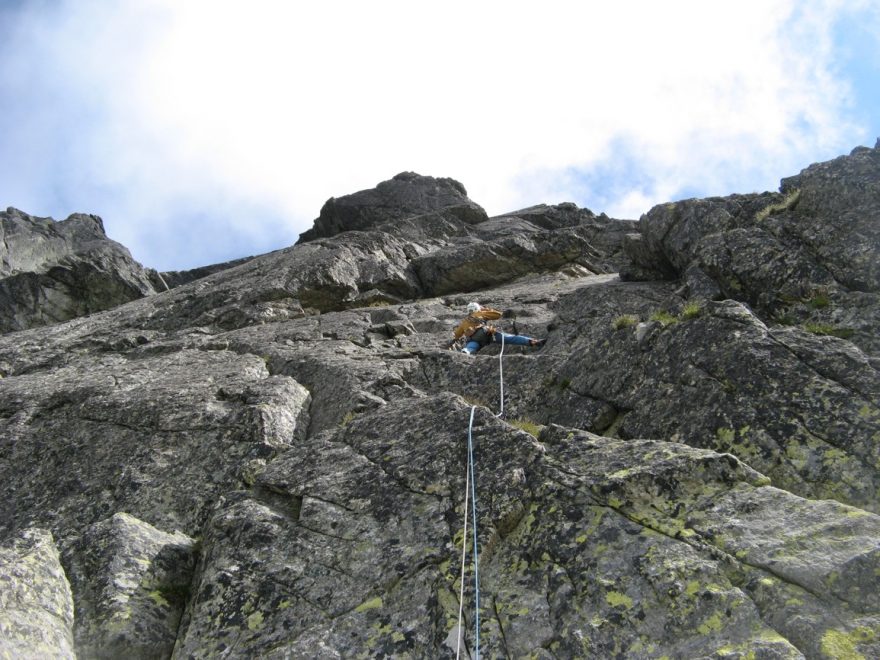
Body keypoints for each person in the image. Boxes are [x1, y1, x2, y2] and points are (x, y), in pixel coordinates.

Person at [451, 302, 546, 355]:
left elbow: (457, 334)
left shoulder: (464, 321)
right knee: (510, 338)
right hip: (486, 333)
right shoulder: (480, 313)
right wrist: (485, 309)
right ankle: (533, 342)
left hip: (474, 338)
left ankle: (466, 351)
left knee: (471, 346)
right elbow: (498, 315)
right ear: (478, 308)